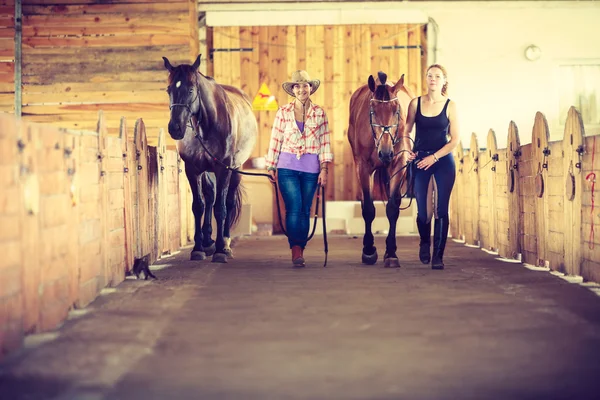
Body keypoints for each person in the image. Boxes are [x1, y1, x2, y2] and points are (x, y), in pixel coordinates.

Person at [265, 70, 333, 267]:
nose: (302, 89)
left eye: (305, 85)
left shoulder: (320, 113)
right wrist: (271, 164)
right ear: (292, 89)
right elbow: (275, 139)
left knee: (305, 209)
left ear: (310, 88)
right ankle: (296, 249)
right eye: (297, 86)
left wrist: (324, 169)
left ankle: (300, 247)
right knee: (294, 208)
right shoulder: (283, 112)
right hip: (287, 167)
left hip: (311, 168)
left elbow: (325, 142)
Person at [405, 64, 460, 270]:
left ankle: (438, 255)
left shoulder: (450, 105)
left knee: (441, 209)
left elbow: (454, 140)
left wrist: (435, 158)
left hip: (443, 161)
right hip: (420, 160)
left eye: (437, 76)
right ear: (426, 79)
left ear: (444, 80)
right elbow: (406, 131)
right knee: (424, 213)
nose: (433, 79)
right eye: (430, 75)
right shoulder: (415, 103)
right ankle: (424, 242)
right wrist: (407, 148)